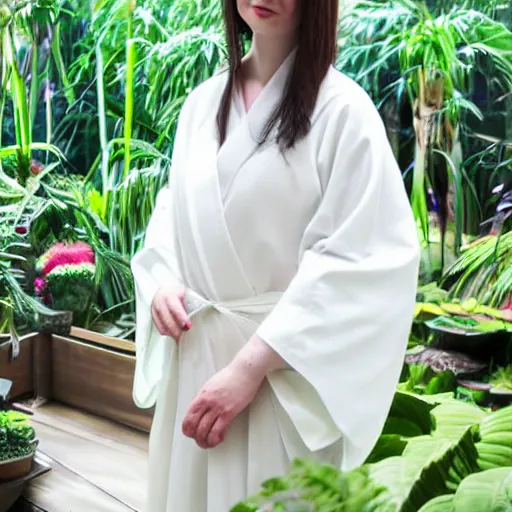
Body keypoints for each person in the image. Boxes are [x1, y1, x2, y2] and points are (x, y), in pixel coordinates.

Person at [131, 0, 420, 510]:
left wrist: (248, 370)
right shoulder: (201, 104)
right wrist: (161, 282)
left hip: (278, 384)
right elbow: (172, 213)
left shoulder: (344, 113)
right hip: (195, 364)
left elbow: (361, 261)